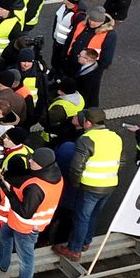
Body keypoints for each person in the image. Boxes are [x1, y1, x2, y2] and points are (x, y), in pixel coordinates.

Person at [55, 108, 122, 262]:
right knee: (94, 214)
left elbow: (76, 167)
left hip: (90, 186)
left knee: (81, 217)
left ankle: (74, 250)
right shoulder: (115, 137)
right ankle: (86, 242)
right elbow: (122, 161)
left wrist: (75, 184)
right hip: (110, 184)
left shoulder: (86, 139)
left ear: (88, 123)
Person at [0, 148, 64, 278]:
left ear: (42, 165)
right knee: (5, 234)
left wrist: (9, 194)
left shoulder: (35, 187)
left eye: (34, 161)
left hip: (25, 228)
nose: (30, 161)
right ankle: (3, 264)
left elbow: (25, 213)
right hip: (22, 223)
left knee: (26, 260)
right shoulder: (56, 177)